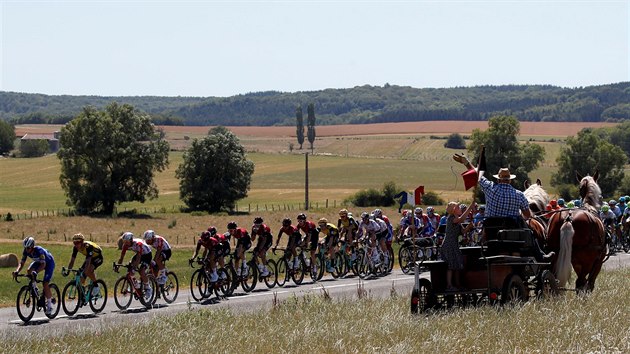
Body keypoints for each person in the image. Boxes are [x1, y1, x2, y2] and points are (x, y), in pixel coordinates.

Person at [453, 154, 554, 261]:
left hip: (491, 233)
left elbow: (476, 174)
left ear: (498, 180)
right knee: (530, 232)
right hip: (513, 235)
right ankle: (540, 256)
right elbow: (527, 215)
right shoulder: (519, 194)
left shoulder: (490, 187)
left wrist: (466, 162)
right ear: (510, 180)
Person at [13, 237, 56, 315]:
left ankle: (49, 306)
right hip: (39, 262)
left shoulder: (39, 250)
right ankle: (34, 287)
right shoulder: (26, 251)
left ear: (32, 246)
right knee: (29, 271)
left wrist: (36, 272)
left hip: (48, 263)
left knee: (45, 283)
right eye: (25, 248)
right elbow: (22, 263)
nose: (27, 250)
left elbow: (43, 265)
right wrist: (17, 271)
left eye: (28, 248)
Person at [441, 201, 476, 291]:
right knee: (451, 265)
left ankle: (457, 284)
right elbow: (461, 219)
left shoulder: (457, 220)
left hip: (454, 244)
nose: (460, 209)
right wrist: (470, 208)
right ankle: (449, 285)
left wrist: (468, 227)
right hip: (449, 244)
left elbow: (463, 232)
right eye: (458, 208)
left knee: (457, 265)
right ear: (453, 210)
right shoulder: (451, 218)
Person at [116, 232, 153, 299]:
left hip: (147, 255)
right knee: (130, 268)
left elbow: (139, 258)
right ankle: (136, 283)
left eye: (127, 242)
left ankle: (148, 288)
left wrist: (134, 267)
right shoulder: (125, 245)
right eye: (124, 241)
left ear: (131, 240)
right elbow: (121, 257)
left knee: (141, 271)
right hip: (139, 254)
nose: (126, 243)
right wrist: (118, 266)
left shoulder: (138, 244)